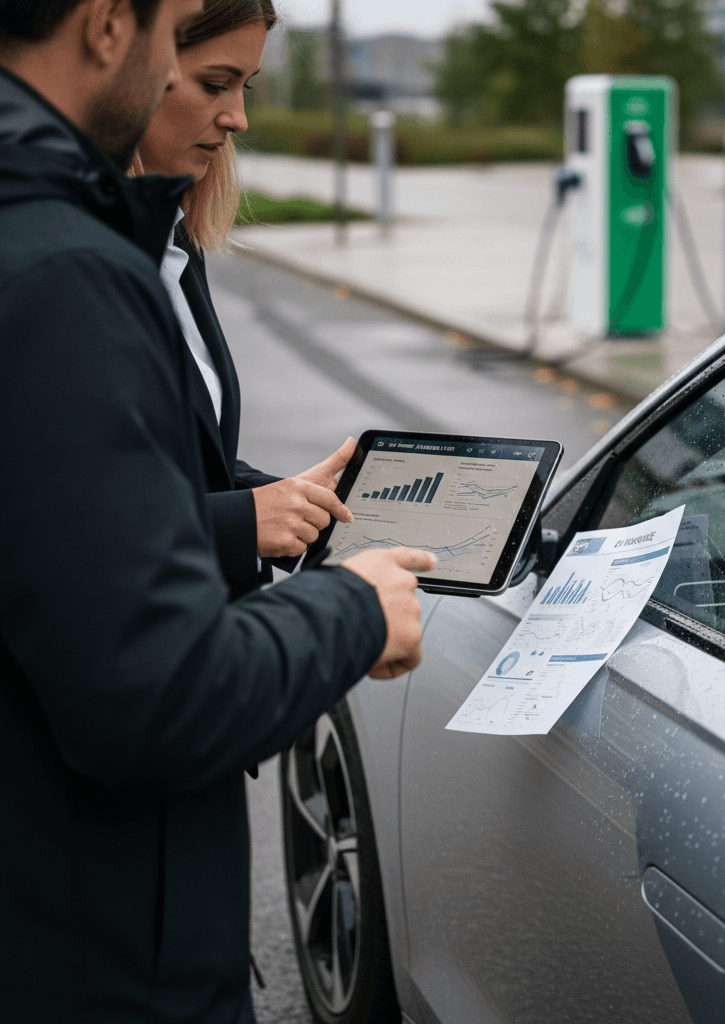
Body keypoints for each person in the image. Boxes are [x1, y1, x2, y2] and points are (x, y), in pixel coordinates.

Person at [0, 2, 435, 1021]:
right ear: (109, 23)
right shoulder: (63, 267)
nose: (214, 105)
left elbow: (61, 506)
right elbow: (159, 695)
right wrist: (352, 609)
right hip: (90, 952)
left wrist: (259, 500)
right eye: (175, 41)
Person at [134, 0, 355, 597]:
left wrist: (287, 501)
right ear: (131, 62)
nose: (239, 118)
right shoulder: (63, 261)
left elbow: (175, 457)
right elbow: (49, 515)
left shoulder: (175, 242)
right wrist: (241, 521)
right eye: (215, 84)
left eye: (245, 87)